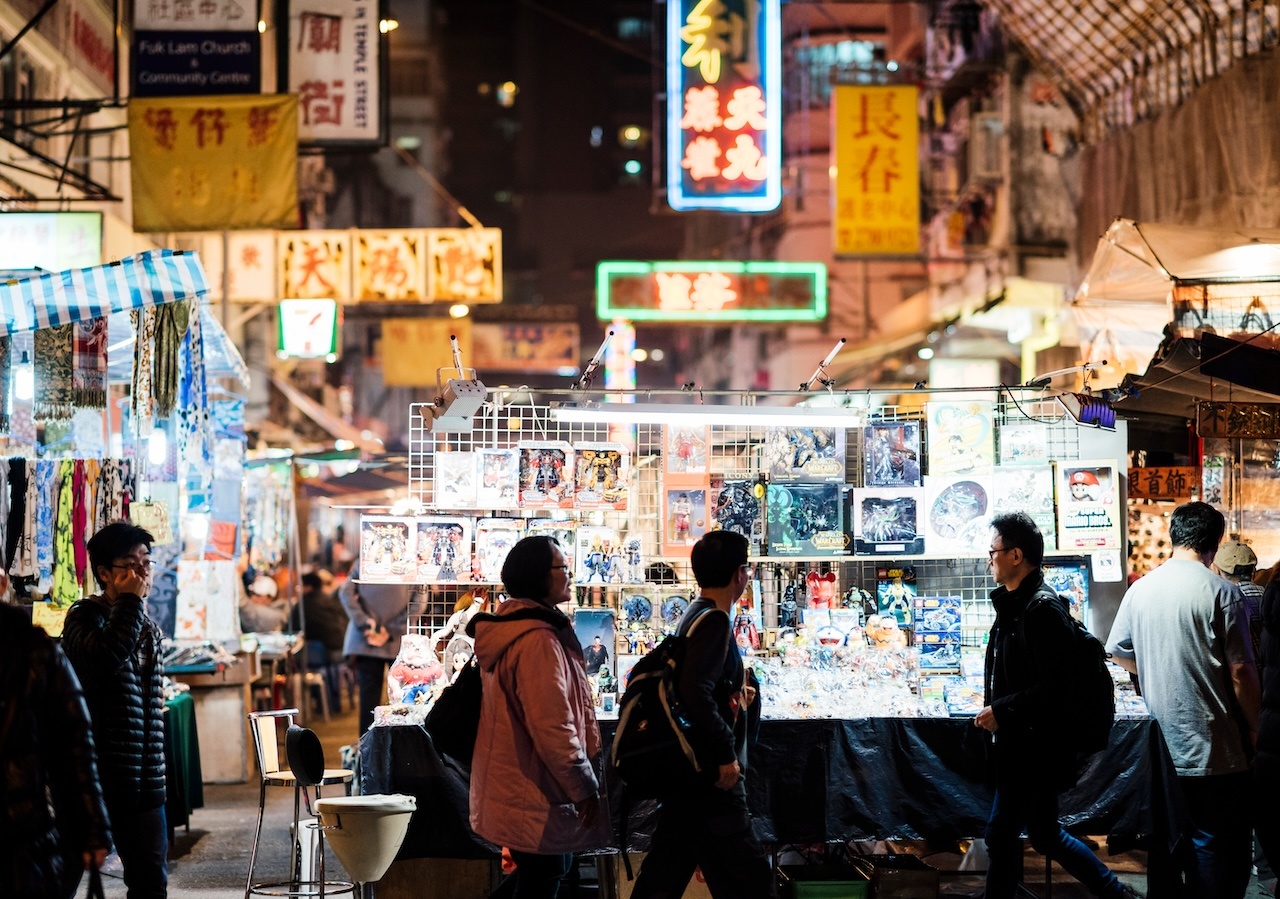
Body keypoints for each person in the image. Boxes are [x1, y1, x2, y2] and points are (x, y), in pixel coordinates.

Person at [974, 512, 1134, 899]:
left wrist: (1004, 709)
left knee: (1000, 834)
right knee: (1044, 833)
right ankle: (1116, 893)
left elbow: (1059, 686)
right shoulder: (1017, 604)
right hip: (1025, 742)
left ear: (1015, 555)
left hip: (1034, 746)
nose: (988, 559)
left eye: (992, 551)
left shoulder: (1041, 610)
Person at [1106, 501, 1260, 899]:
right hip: (1215, 746)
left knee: (1164, 843)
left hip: (1159, 747)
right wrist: (1256, 728)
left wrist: (1156, 670)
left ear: (1174, 536)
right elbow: (1242, 671)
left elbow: (1119, 651)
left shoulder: (1140, 589)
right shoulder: (1223, 593)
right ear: (1216, 541)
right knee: (1211, 843)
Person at [631, 530, 774, 899]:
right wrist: (726, 755)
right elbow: (695, 692)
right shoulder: (715, 622)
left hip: (689, 778)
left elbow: (696, 684)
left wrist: (734, 690)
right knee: (751, 880)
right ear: (739, 575)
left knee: (664, 873)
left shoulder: (696, 613)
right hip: (712, 777)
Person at [468, 535, 610, 898]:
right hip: (534, 789)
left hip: (526, 785)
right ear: (539, 576)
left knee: (543, 872)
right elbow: (553, 727)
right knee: (545, 874)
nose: (569, 574)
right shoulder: (538, 641)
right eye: (562, 567)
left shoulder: (527, 630)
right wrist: (583, 786)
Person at [61, 522, 169, 899]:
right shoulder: (83, 618)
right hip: (98, 775)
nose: (141, 572)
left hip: (144, 778)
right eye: (129, 564)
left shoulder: (147, 626)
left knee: (150, 881)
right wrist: (130, 603)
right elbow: (105, 658)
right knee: (64, 875)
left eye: (146, 562)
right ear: (104, 573)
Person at [1, 574, 112, 899]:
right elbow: (73, 747)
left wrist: (92, 830)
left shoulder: (35, 651)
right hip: (22, 836)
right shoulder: (35, 649)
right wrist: (92, 831)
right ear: (4, 584)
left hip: (22, 839)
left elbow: (73, 745)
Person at [339, 561, 413, 734]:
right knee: (405, 699)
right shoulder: (410, 564)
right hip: (399, 640)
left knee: (368, 701)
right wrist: (391, 629)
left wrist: (366, 622)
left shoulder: (366, 561)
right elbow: (418, 603)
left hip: (366, 640)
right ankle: (400, 748)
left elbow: (345, 592)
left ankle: (367, 750)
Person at [291, 570, 350, 710]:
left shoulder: (303, 605)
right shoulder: (330, 600)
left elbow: (293, 629)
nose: (298, 589)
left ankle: (316, 704)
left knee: (296, 660)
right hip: (341, 648)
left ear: (309, 587)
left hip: (321, 653)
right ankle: (331, 703)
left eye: (301, 585)